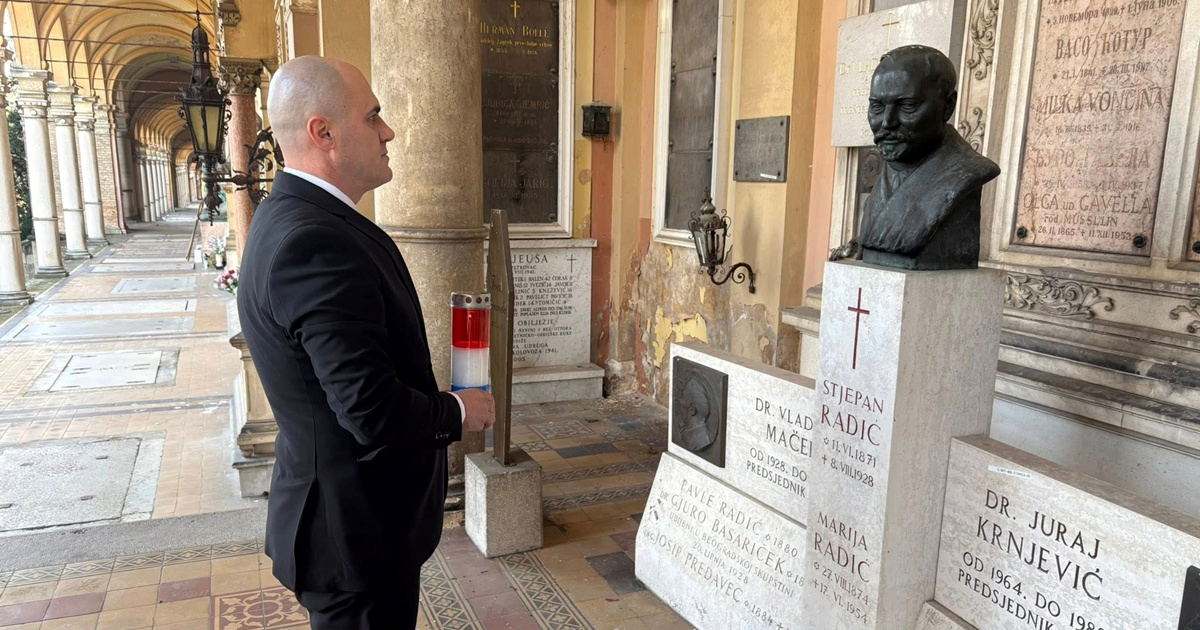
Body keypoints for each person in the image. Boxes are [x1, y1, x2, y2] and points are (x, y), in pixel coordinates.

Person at [236, 56, 496, 629]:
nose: (388, 131)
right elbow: (369, 410)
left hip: (355, 528)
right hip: (354, 536)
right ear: (323, 133)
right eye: (373, 116)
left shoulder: (303, 219)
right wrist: (458, 411)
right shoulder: (314, 242)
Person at [857, 45, 1001, 270]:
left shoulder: (965, 172)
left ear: (948, 106)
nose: (887, 122)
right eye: (877, 107)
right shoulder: (892, 162)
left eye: (908, 106)